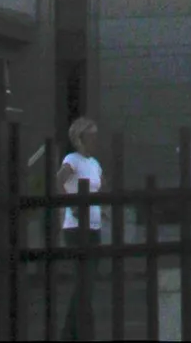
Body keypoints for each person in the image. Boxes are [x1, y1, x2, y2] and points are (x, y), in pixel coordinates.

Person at [55, 116, 103, 339]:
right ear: (81, 138)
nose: (95, 141)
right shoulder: (72, 159)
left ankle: (75, 330)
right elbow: (58, 180)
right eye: (91, 137)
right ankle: (76, 331)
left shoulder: (95, 164)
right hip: (76, 227)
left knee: (89, 283)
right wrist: (71, 204)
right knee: (83, 282)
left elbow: (99, 190)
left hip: (94, 226)